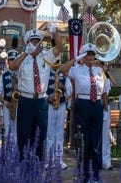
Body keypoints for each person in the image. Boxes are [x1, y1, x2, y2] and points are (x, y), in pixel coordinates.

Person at [9, 25, 63, 160]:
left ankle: (38, 167)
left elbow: (60, 48)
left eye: (37, 42)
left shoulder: (46, 57)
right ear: (27, 44)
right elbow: (12, 66)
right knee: (24, 136)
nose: (35, 45)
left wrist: (55, 32)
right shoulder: (23, 58)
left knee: (40, 136)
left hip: (41, 101)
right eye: (32, 42)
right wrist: (26, 53)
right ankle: (23, 168)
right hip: (26, 101)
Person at [65, 43, 109, 182]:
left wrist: (105, 109)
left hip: (96, 105)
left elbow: (103, 91)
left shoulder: (99, 71)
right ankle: (83, 175)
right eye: (87, 54)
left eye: (92, 54)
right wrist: (75, 58)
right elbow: (62, 70)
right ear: (83, 57)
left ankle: (95, 176)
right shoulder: (76, 70)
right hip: (83, 104)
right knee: (83, 141)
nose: (91, 57)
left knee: (96, 141)